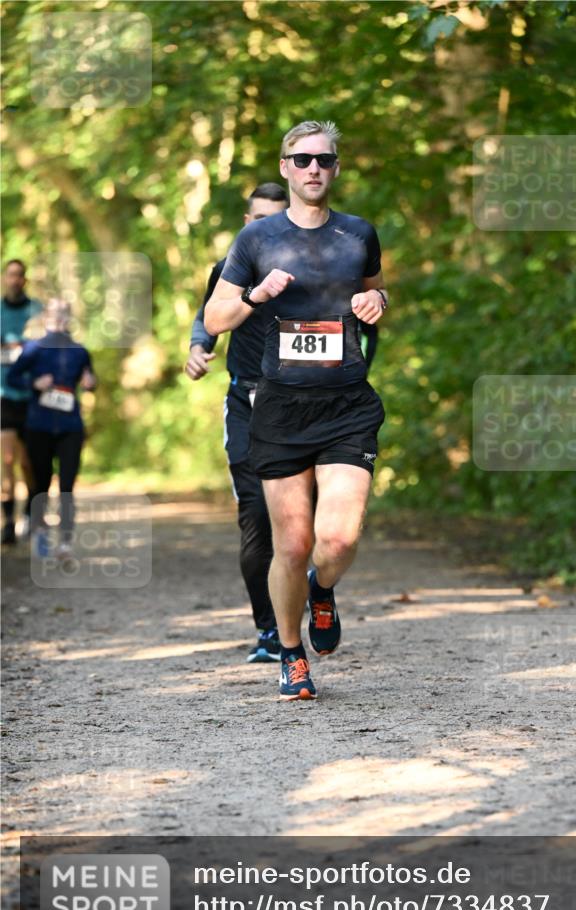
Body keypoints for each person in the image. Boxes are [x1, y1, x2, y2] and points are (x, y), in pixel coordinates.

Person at [204, 120, 388, 701]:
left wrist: (376, 300)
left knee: (336, 540)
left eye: (324, 161)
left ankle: (323, 591)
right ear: (285, 167)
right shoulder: (256, 241)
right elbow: (214, 319)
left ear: (336, 168)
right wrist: (256, 295)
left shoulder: (359, 234)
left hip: (346, 404)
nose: (314, 169)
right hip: (280, 407)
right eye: (303, 160)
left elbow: (379, 291)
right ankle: (291, 653)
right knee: (292, 542)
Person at [186, 182, 289, 663]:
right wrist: (198, 349)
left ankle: (311, 595)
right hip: (246, 406)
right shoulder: (228, 270)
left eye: (278, 218)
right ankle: (269, 631)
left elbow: (356, 325)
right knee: (256, 522)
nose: (267, 228)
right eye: (260, 219)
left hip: (303, 409)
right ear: (247, 224)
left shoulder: (314, 268)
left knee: (300, 524)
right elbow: (207, 317)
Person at [7, 298, 96, 560]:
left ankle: (65, 542)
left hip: (70, 427)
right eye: (54, 314)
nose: (58, 319)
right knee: (41, 485)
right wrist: (34, 384)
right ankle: (40, 535)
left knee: (67, 486)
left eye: (63, 315)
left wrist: (90, 382)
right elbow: (13, 377)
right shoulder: (34, 349)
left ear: (69, 319)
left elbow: (90, 378)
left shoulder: (79, 351)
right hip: (39, 426)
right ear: (45, 318)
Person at [1, 259, 42, 544]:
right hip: (3, 395)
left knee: (29, 463)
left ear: (24, 280)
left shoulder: (36, 311)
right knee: (7, 459)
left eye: (20, 276)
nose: (15, 280)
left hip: (32, 397)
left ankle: (30, 512)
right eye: (10, 275)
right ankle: (7, 524)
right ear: (5, 278)